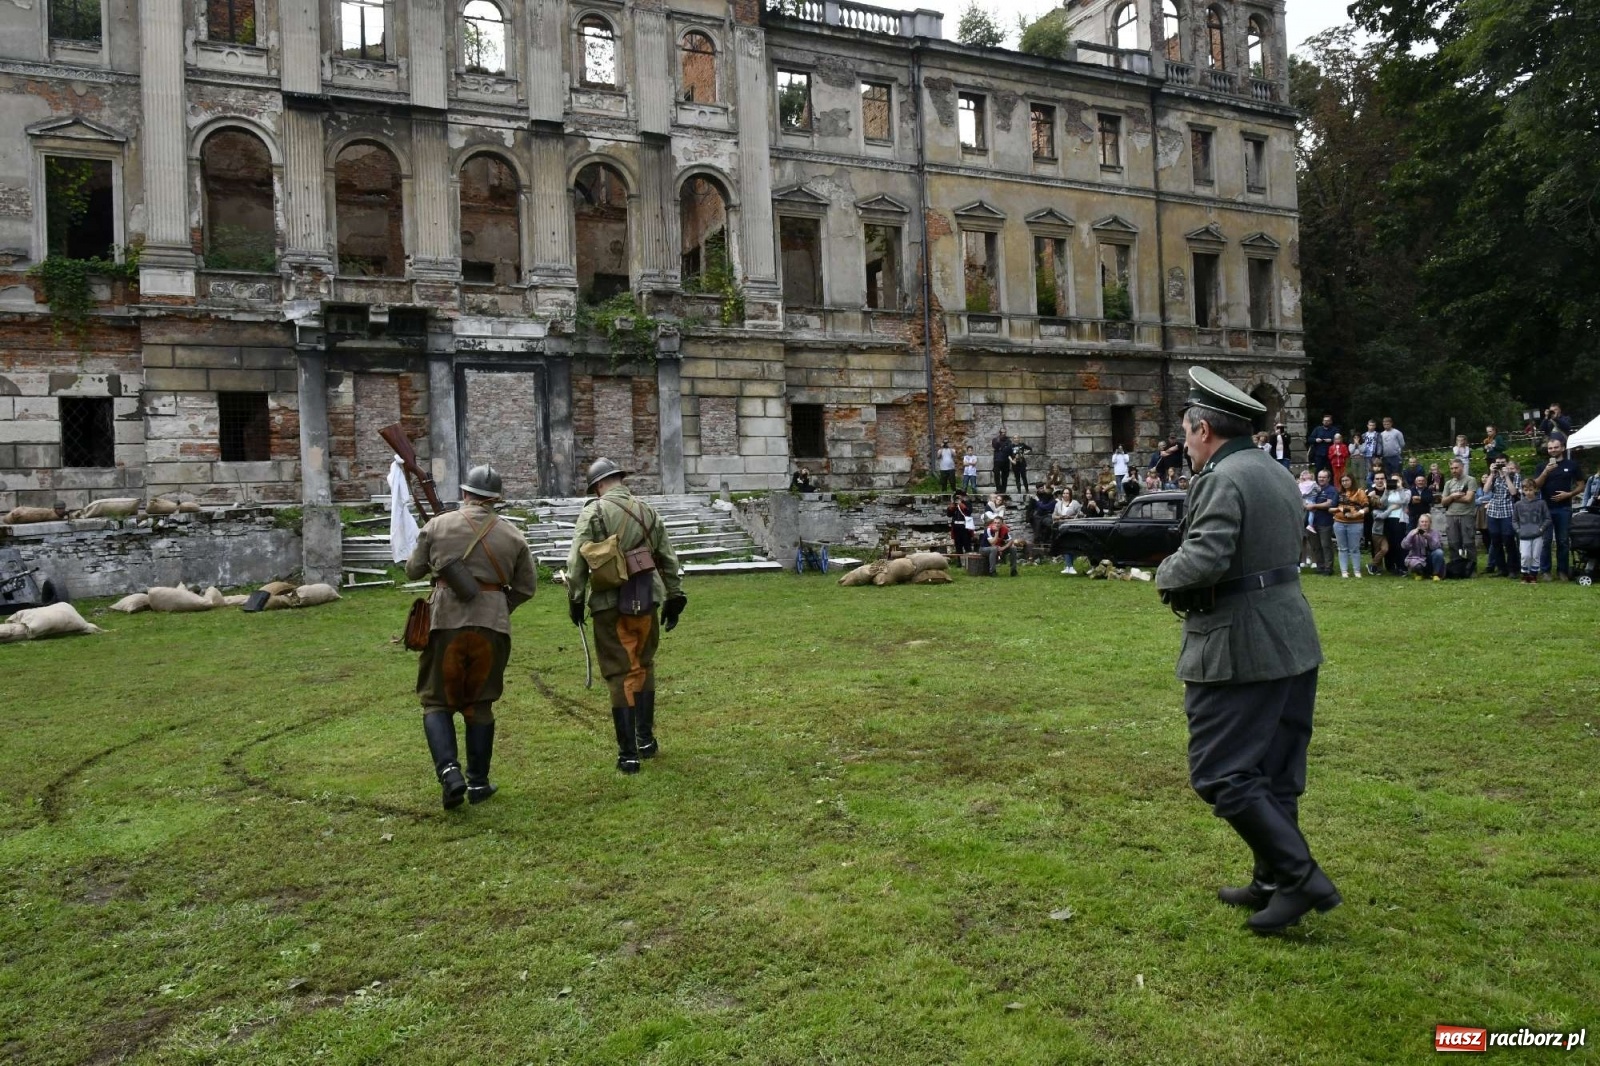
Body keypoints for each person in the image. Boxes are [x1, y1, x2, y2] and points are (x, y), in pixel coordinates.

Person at [1154, 368, 1337, 934]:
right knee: (1274, 771)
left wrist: (1162, 573)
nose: (1184, 447)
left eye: (1186, 436)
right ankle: (1272, 879)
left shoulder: (1220, 476)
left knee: (1222, 771)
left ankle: (1301, 879)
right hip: (1290, 633)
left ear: (1203, 429)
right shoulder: (1274, 470)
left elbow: (1204, 557)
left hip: (1239, 643)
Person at [405, 465, 538, 809]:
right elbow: (526, 587)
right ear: (496, 499)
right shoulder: (513, 535)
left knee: (436, 702)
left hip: (444, 622)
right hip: (492, 625)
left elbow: (412, 569)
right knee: (480, 704)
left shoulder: (438, 524)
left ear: (465, 493)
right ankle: (478, 783)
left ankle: (450, 773)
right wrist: (497, 605)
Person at [567, 458, 687, 774]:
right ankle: (645, 740)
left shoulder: (593, 512)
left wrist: (576, 598)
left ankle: (629, 755)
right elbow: (668, 557)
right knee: (643, 665)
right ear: (620, 479)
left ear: (597, 486)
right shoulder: (647, 511)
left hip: (610, 603)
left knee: (620, 672)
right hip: (647, 597)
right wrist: (675, 596)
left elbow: (577, 560)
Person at [1529, 436, 1583, 580]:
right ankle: (1545, 570)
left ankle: (1562, 571)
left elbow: (1581, 485)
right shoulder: (1542, 466)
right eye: (1550, 448)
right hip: (1545, 508)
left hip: (1564, 508)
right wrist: (1546, 472)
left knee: (1563, 541)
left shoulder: (1572, 465)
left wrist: (1569, 494)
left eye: (1555, 447)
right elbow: (1536, 486)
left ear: (1563, 448)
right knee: (1545, 541)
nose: (1552, 450)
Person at [1482, 457, 1520, 578]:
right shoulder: (1493, 475)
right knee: (1496, 540)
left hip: (1508, 510)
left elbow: (1514, 492)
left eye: (1502, 463)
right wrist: (1492, 474)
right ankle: (1501, 569)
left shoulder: (1515, 476)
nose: (1499, 465)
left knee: (1509, 540)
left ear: (1507, 463)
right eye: (1497, 463)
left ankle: (1513, 568)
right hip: (1493, 511)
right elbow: (1485, 490)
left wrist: (1506, 476)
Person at [1440, 457, 1478, 573]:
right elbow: (1443, 502)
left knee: (1468, 542)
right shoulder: (1448, 483)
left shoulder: (1470, 480)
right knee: (1453, 542)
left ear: (1462, 467)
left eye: (1456, 468)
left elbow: (1468, 498)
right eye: (1451, 468)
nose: (1454, 470)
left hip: (1466, 514)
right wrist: (1452, 496)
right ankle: (1456, 568)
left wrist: (1451, 497)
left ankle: (1471, 569)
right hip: (1451, 515)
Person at [1513, 479, 1552, 582]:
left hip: (1537, 534)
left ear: (1535, 489)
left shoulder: (1541, 503)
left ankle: (1533, 575)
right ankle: (1525, 575)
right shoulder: (1518, 504)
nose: (1528, 492)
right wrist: (1518, 530)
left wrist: (1541, 529)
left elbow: (1547, 518)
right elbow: (1514, 520)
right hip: (1524, 534)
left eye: (1531, 490)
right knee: (1525, 555)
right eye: (1526, 490)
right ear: (1522, 490)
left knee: (1535, 556)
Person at [1331, 473, 1368, 579]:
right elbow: (1330, 508)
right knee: (1342, 548)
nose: (1344, 483)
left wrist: (1357, 513)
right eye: (1342, 481)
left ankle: (1356, 570)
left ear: (1352, 480)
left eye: (1347, 480)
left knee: (1355, 548)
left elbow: (1366, 507)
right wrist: (1339, 509)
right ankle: (1344, 571)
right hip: (1339, 522)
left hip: (1355, 523)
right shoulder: (1338, 493)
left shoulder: (1359, 492)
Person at [1306, 469, 1337, 576]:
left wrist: (1314, 506)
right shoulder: (1314, 488)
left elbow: (1329, 504)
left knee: (1326, 545)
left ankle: (1328, 568)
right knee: (1316, 546)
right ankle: (1320, 566)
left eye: (1324, 477)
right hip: (1312, 523)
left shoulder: (1331, 490)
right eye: (1319, 477)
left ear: (1328, 478)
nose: (1321, 479)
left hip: (1325, 522)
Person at [1380, 475, 1412, 574]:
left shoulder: (1406, 491)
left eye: (1396, 480)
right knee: (1390, 543)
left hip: (1400, 519)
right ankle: (1390, 566)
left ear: (1401, 481)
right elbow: (1382, 503)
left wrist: (1400, 488)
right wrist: (1386, 490)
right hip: (1388, 518)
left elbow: (1404, 501)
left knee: (1399, 543)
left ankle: (1401, 566)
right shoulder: (1389, 491)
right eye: (1392, 480)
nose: (1394, 482)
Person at [1401, 513, 1446, 580]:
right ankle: (1419, 573)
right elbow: (1404, 546)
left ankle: (1436, 574)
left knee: (1439, 552)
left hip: (1431, 558)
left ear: (1430, 523)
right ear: (1419, 523)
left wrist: (1428, 537)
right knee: (1417, 566)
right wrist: (1411, 536)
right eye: (1422, 522)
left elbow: (1436, 546)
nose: (1424, 524)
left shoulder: (1435, 532)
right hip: (1417, 558)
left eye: (1426, 522)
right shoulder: (1413, 532)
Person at [1053, 488, 1083, 573]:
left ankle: (1070, 566)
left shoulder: (1075, 503)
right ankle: (1068, 566)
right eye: (1064, 493)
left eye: (1067, 493)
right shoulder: (1058, 504)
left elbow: (1080, 514)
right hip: (1061, 527)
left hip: (1072, 527)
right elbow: (1053, 516)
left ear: (1070, 495)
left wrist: (1071, 517)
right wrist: (1060, 517)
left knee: (1071, 545)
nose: (1065, 495)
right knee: (1065, 546)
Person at [947, 490, 975, 555]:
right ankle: (959, 562)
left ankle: (968, 560)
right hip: (956, 526)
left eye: (959, 497)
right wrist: (952, 506)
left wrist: (961, 504)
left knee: (967, 544)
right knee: (958, 545)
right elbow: (949, 514)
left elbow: (968, 512)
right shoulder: (954, 504)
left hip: (964, 526)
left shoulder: (967, 503)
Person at [991, 429, 1014, 494]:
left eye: (1004, 432)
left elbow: (1009, 449)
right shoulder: (995, 439)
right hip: (997, 460)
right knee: (996, 475)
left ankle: (1003, 489)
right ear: (1000, 433)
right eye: (1002, 432)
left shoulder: (1008, 440)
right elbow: (995, 446)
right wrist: (1001, 445)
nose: (1003, 433)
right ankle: (998, 489)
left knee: (1005, 476)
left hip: (1005, 460)